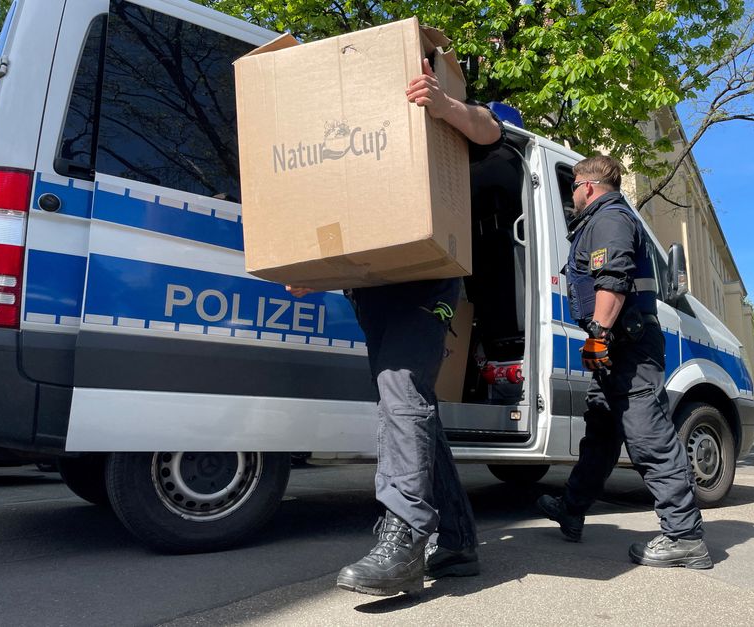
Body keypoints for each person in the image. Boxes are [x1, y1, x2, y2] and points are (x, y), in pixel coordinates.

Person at [288, 58, 504, 596]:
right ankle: (455, 540)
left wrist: (444, 103)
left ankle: (404, 536)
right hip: (370, 288)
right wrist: (315, 268)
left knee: (400, 389)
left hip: (428, 277)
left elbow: (492, 128)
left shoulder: (449, 108)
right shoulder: (358, 130)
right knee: (411, 406)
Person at [537, 155, 712, 569]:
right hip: (619, 346)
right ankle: (572, 508)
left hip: (627, 347)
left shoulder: (610, 219)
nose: (572, 195)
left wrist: (597, 335)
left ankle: (684, 535)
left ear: (589, 187)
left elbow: (612, 282)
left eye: (574, 187)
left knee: (648, 436)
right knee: (601, 431)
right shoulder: (602, 219)